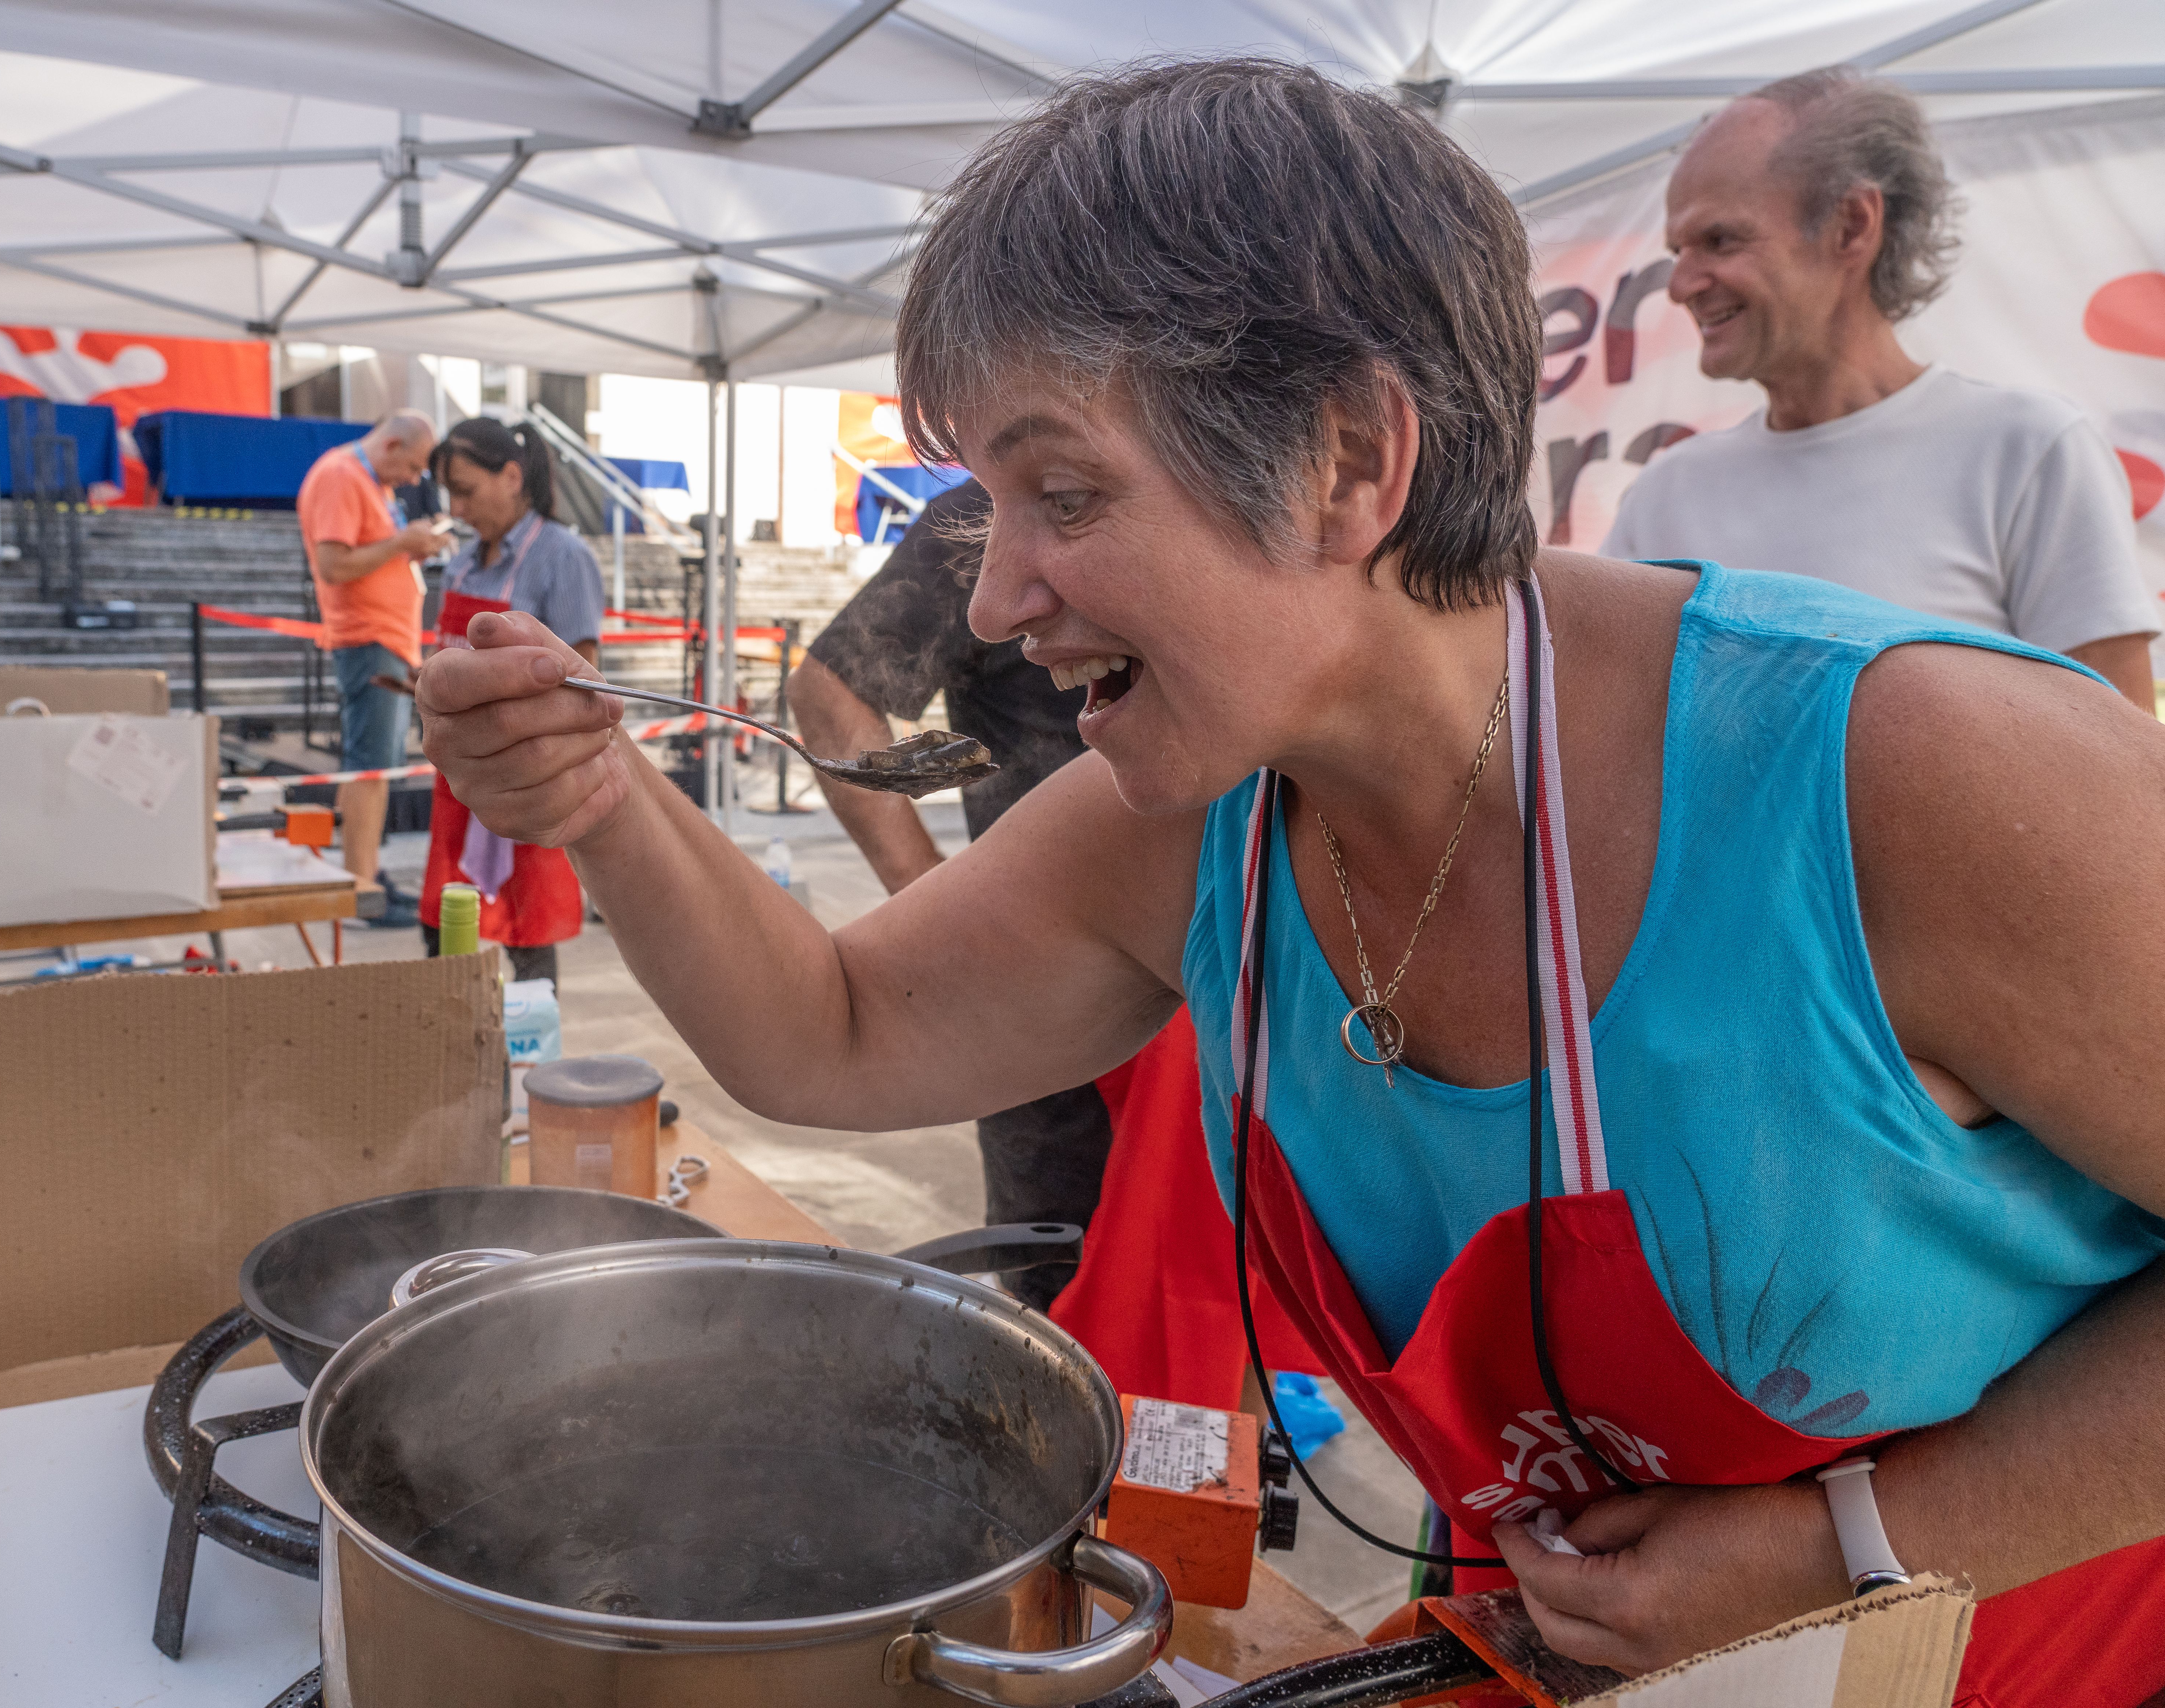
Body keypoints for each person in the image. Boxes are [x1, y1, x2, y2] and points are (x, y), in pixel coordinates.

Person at [419, 60, 2165, 1700]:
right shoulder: (1200, 813)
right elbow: (838, 1032)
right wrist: (602, 795)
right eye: (985, 507)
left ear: (1346, 459)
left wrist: (1844, 1544)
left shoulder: (1916, 768)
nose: (991, 603)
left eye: (1063, 492)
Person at [791, 480, 1320, 1387]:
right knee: (1067, 1339)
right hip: (1063, 1011)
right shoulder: (997, 504)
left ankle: (1206, 1506)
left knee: (1234, 1318)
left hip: (1240, 993)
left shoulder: (1221, 481)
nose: (1010, 598)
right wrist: (935, 897)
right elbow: (830, 693)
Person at [1606, 68, 2157, 707]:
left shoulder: (2027, 451)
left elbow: (2122, 771)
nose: (1678, 285)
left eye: (1719, 240)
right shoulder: (1664, 495)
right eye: (1677, 250)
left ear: (1852, 226)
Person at [418, 418, 603, 986]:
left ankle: (527, 1063)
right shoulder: (464, 561)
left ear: (513, 477)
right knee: (446, 927)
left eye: (467, 492)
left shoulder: (561, 556)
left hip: (528, 772)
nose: (459, 507)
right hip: (458, 773)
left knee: (527, 935)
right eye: (451, 494)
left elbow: (584, 681)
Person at [298, 410, 443, 925]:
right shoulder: (342, 475)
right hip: (370, 639)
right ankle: (360, 891)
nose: (414, 479)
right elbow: (334, 565)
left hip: (386, 640)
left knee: (373, 767)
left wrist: (410, 548)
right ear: (393, 444)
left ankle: (366, 875)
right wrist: (404, 544)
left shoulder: (365, 481)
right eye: (414, 465)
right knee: (371, 769)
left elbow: (365, 556)